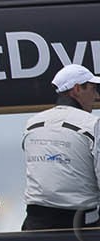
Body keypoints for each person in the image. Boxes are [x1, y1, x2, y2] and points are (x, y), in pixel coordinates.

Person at [22, 63, 100, 230]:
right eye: (93, 89)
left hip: (35, 226)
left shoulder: (31, 124)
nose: (96, 96)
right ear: (77, 89)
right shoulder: (93, 125)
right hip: (82, 228)